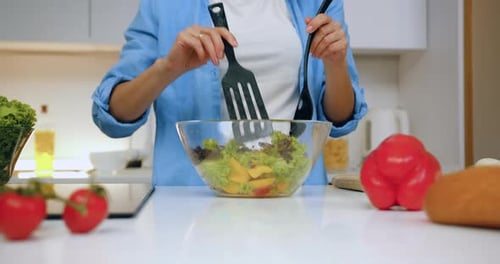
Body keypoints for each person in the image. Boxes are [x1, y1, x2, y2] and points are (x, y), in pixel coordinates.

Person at [91, 0, 368, 186]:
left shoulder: (316, 3)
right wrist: (168, 68)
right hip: (189, 202)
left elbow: (340, 118)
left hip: (293, 194)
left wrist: (335, 63)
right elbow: (113, 115)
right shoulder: (165, 5)